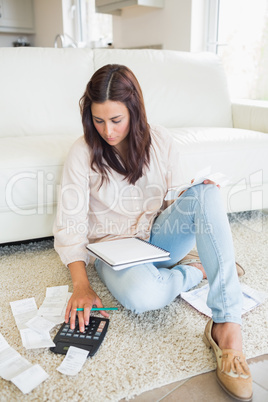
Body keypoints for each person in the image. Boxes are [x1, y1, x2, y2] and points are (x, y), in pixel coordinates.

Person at [53, 64, 252, 401]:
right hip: (113, 251)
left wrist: (193, 191)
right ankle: (194, 271)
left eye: (116, 120)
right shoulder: (82, 152)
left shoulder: (159, 139)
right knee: (145, 297)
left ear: (134, 110)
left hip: (159, 238)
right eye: (99, 121)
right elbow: (70, 224)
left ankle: (227, 327)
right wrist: (82, 285)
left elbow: (174, 195)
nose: (108, 131)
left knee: (206, 192)